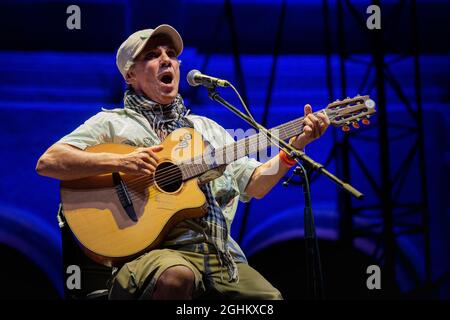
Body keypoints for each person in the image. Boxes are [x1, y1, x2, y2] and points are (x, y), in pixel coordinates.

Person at [36, 24, 330, 300]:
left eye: (171, 55)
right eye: (152, 56)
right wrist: (121, 162)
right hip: (148, 253)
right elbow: (50, 161)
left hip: (218, 253)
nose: (167, 61)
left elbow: (256, 184)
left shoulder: (205, 128)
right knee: (177, 277)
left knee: (268, 300)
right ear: (130, 75)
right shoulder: (111, 123)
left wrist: (294, 147)